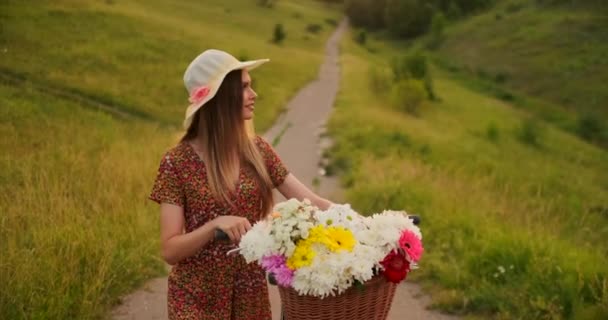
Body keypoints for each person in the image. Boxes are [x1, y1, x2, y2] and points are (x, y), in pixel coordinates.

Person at [149, 49, 332, 320]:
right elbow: (170, 250)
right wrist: (213, 227)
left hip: (250, 295)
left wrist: (376, 226)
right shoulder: (176, 162)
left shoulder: (258, 151)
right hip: (195, 297)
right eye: (245, 87)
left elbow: (313, 203)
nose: (253, 94)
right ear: (222, 96)